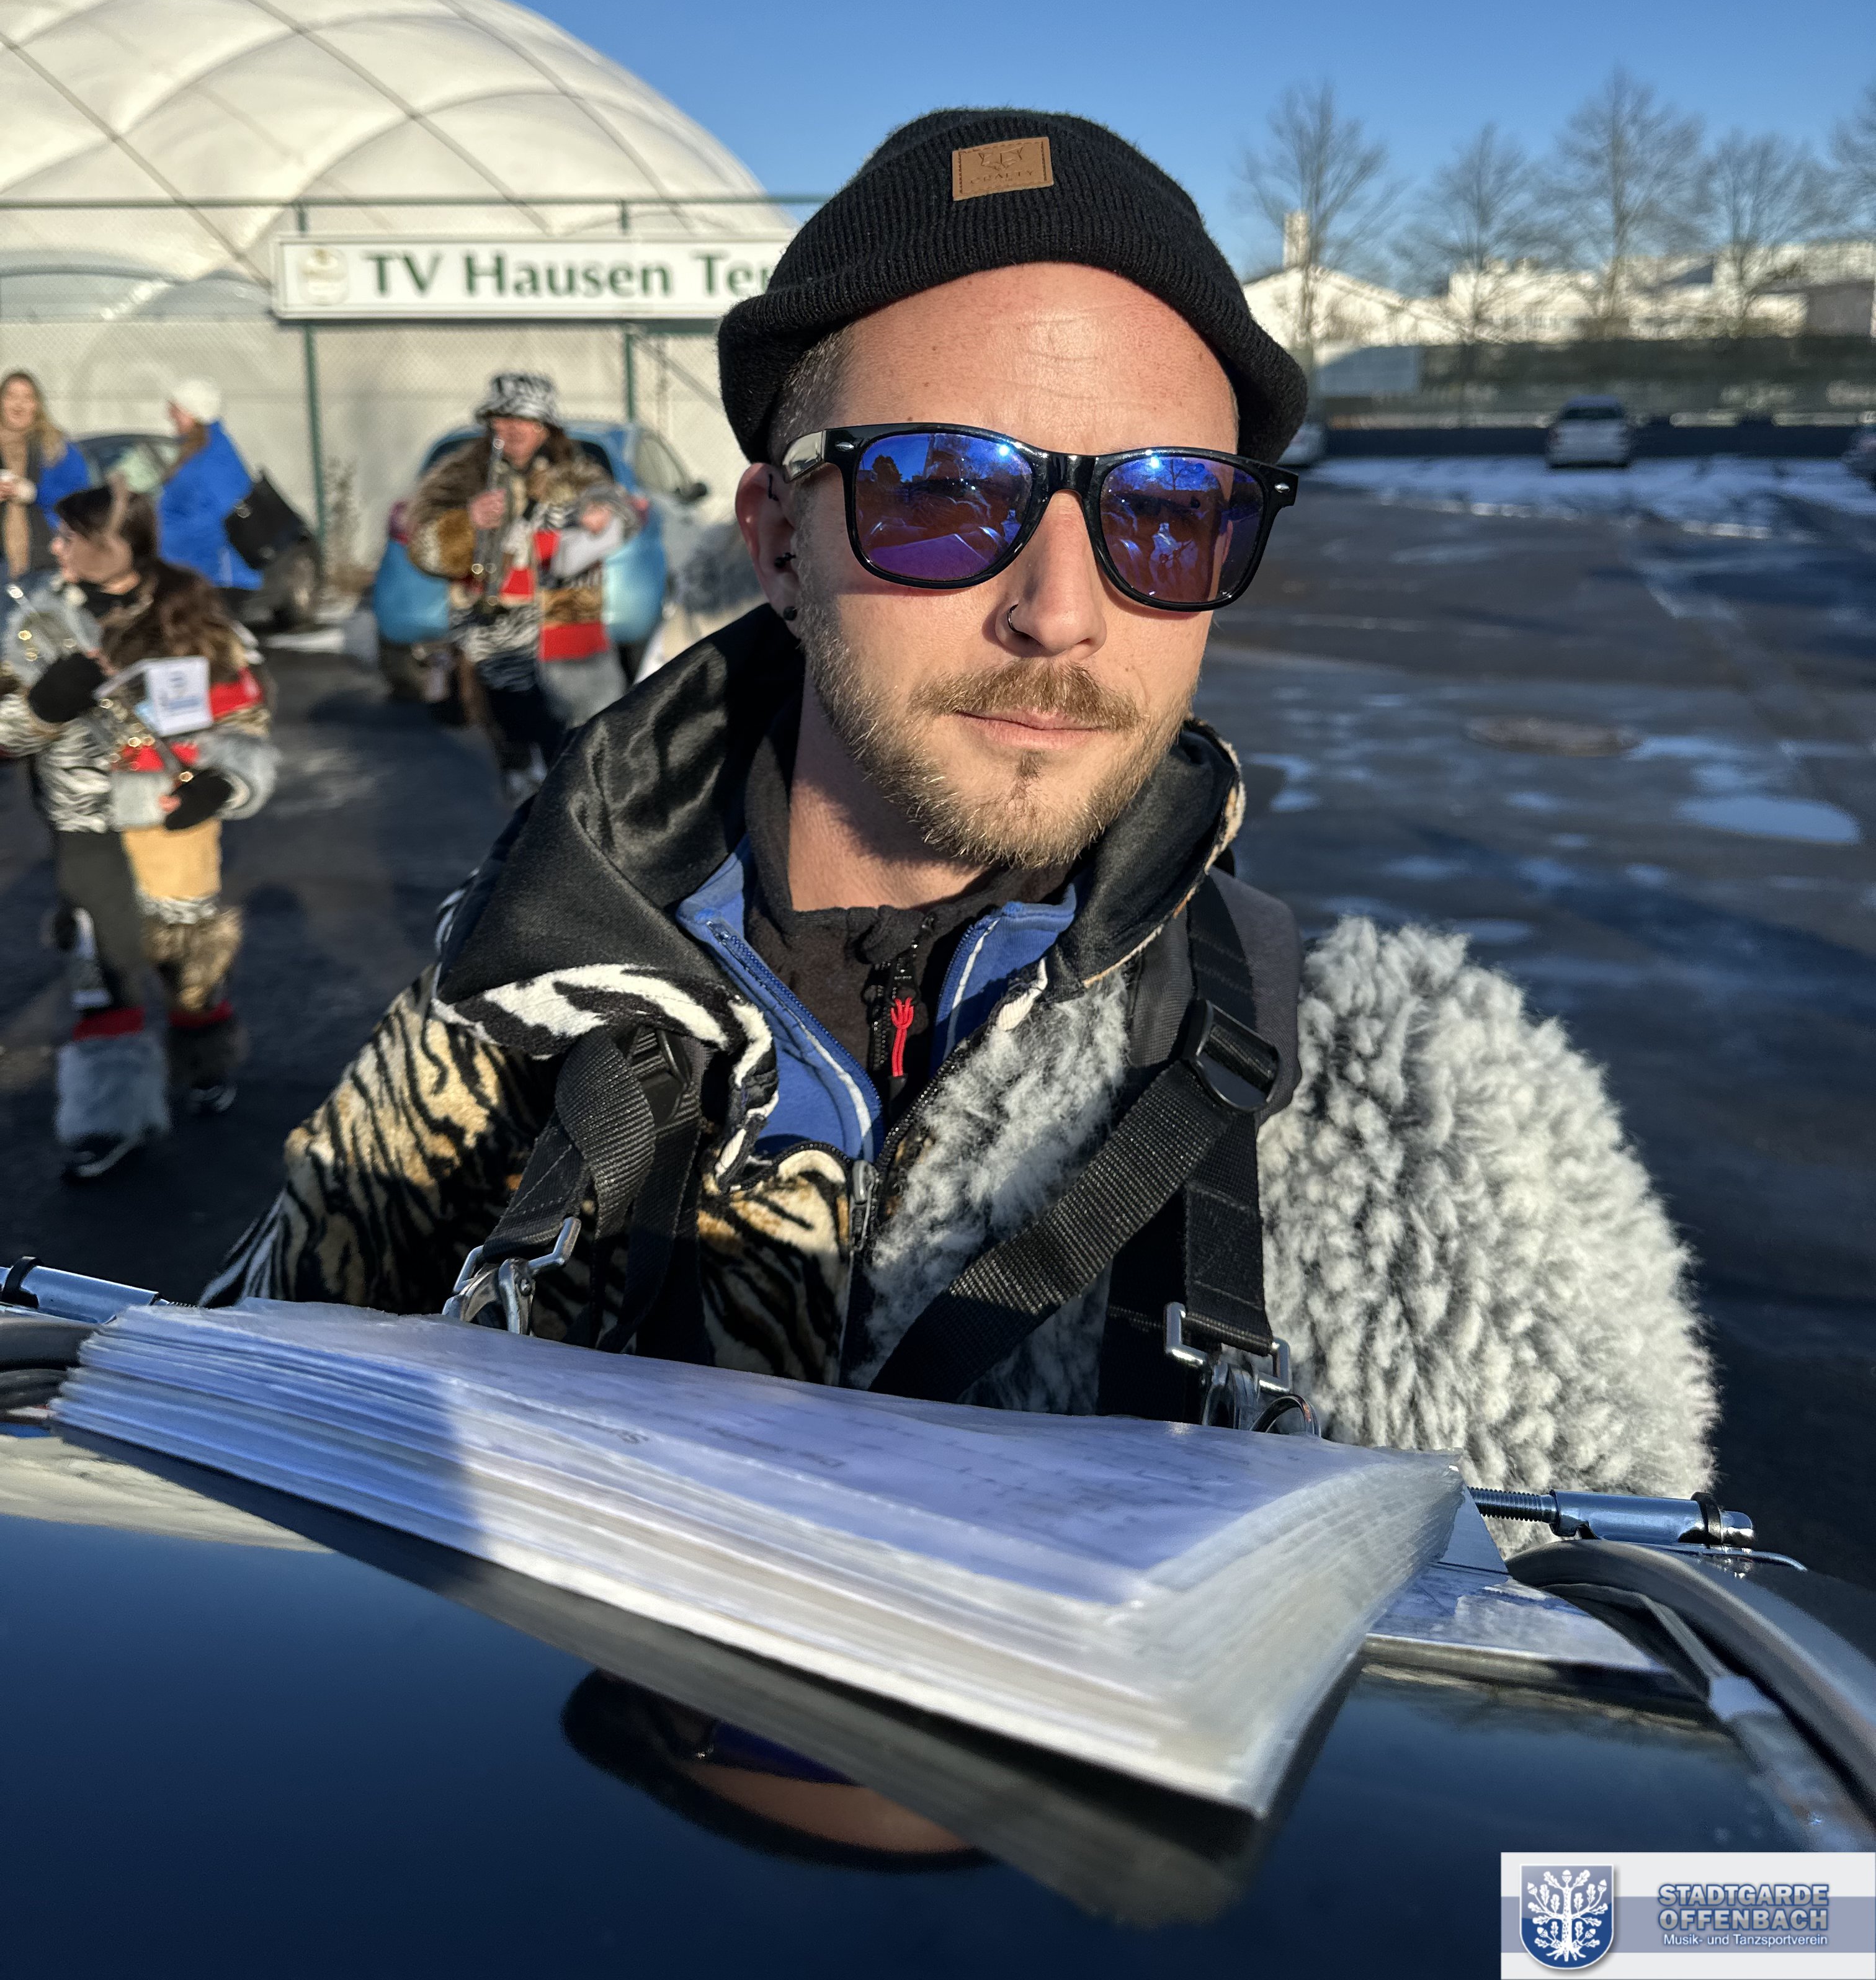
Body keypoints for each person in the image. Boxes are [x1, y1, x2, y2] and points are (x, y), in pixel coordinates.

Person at [208, 110, 1712, 1514]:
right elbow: (233, 1512)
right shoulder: (510, 1013)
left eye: (1166, 511)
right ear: (777, 545)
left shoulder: (1427, 1135)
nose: (1062, 611)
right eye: (941, 489)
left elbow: (1567, 1665)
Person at [0, 482, 277, 1177]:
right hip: (83, 822)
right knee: (102, 969)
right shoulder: (35, 618)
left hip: (170, 815)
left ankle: (204, 1058)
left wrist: (224, 782)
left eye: (70, 537)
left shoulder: (194, 610)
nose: (56, 548)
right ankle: (109, 1116)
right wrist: (42, 708)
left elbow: (245, 721)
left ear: (118, 544)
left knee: (188, 962)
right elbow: (5, 736)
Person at [402, 373, 641, 800]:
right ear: (489, 423)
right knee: (516, 740)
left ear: (546, 428)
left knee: (577, 746)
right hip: (493, 640)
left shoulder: (576, 474)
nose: (513, 429)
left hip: (564, 634)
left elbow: (620, 509)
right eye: (503, 418)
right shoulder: (460, 477)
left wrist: (602, 514)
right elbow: (422, 549)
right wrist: (467, 521)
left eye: (526, 420)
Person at [157, 377, 262, 595]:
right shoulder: (199, 452)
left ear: (194, 414)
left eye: (176, 409)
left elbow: (228, 521)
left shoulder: (213, 458)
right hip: (193, 575)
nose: (170, 415)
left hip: (217, 580)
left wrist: (171, 548)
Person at [0, 370, 89, 584]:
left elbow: (81, 500)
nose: (18, 405)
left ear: (37, 405)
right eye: (11, 396)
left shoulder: (56, 447)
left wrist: (34, 493)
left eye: (27, 398)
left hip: (48, 561)